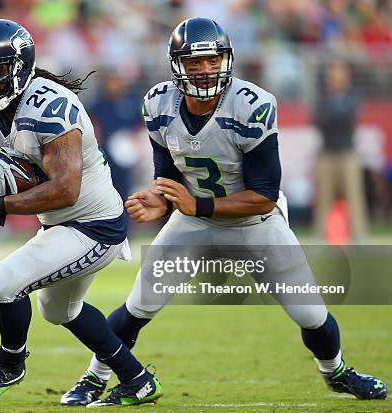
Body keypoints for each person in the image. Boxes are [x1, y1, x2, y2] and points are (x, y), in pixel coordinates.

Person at [61, 17, 388, 406]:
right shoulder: (158, 103)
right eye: (194, 62)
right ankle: (94, 378)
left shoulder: (253, 105)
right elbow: (167, 173)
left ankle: (336, 371)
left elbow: (264, 195)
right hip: (193, 223)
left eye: (212, 61)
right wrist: (160, 198)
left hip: (255, 224)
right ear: (176, 64)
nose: (204, 70)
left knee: (311, 314)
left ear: (227, 60)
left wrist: (192, 203)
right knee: (138, 306)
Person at [0, 19, 163, 407]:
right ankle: (137, 379)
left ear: (19, 69)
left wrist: (1, 204)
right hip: (61, 225)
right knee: (59, 309)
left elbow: (64, 189)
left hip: (95, 225)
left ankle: (9, 365)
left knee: (2, 282)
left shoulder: (50, 105)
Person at [313, 60, 369, 242]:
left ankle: (359, 234)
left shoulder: (353, 96)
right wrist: (337, 111)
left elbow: (348, 119)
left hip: (348, 153)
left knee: (355, 196)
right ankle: (320, 234)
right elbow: (319, 120)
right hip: (327, 153)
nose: (335, 77)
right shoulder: (323, 97)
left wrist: (335, 111)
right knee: (323, 197)